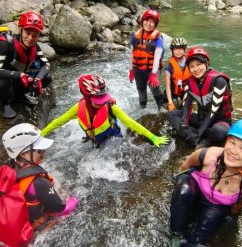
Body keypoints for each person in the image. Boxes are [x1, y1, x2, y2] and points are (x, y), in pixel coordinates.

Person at [0, 123, 78, 247]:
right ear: (24, 154)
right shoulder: (39, 183)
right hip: (33, 232)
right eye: (40, 150)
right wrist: (76, 197)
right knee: (65, 216)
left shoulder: (12, 169)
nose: (44, 153)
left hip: (7, 227)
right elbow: (62, 210)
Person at [170, 118, 242, 245]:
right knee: (184, 189)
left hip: (215, 206)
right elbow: (184, 169)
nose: (233, 151)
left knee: (199, 238)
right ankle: (175, 240)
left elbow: (237, 206)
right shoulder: (209, 155)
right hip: (193, 191)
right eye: (232, 142)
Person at [41, 74, 170, 148]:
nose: (102, 102)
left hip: (114, 138)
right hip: (94, 139)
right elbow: (58, 122)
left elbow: (132, 123)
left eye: (103, 98)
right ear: (87, 97)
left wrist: (153, 137)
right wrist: (41, 134)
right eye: (98, 99)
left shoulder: (110, 107)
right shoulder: (78, 108)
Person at [0, 11, 51, 118]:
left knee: (47, 77)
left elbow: (46, 65)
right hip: (0, 79)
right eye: (27, 33)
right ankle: (5, 103)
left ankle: (20, 95)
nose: (30, 38)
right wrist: (19, 75)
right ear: (21, 30)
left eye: (35, 35)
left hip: (19, 78)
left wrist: (39, 78)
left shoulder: (35, 47)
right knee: (2, 84)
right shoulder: (5, 44)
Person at [167, 47, 232, 148]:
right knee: (172, 114)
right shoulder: (190, 82)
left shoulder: (219, 81)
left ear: (206, 63)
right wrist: (184, 125)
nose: (196, 69)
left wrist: (198, 134)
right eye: (192, 66)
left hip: (219, 120)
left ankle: (193, 136)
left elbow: (213, 112)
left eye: (199, 64)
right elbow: (187, 106)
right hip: (201, 118)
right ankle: (192, 135)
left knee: (220, 133)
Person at [129, 9, 164, 110]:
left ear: (155, 24)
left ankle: (160, 107)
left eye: (152, 22)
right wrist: (131, 70)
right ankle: (142, 108)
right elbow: (131, 54)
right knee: (141, 89)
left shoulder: (158, 39)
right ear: (142, 21)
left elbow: (157, 58)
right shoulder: (135, 36)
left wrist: (154, 74)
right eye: (147, 20)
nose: (149, 24)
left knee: (154, 88)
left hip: (152, 68)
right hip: (137, 68)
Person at [164, 37, 190, 111]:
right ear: (172, 50)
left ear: (184, 50)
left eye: (180, 49)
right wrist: (170, 102)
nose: (178, 51)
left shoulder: (190, 63)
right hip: (173, 91)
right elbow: (168, 86)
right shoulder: (169, 67)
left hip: (186, 91)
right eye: (175, 49)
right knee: (164, 104)